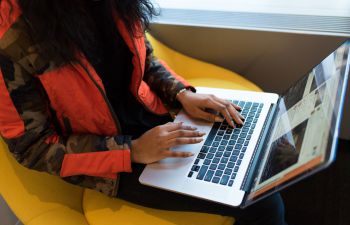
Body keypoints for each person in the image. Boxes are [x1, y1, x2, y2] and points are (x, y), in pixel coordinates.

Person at [0, 1, 287, 224]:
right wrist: (132, 150)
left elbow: (143, 59)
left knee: (265, 142)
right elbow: (32, 147)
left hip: (157, 117)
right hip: (111, 159)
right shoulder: (10, 36)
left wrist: (181, 93)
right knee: (260, 200)